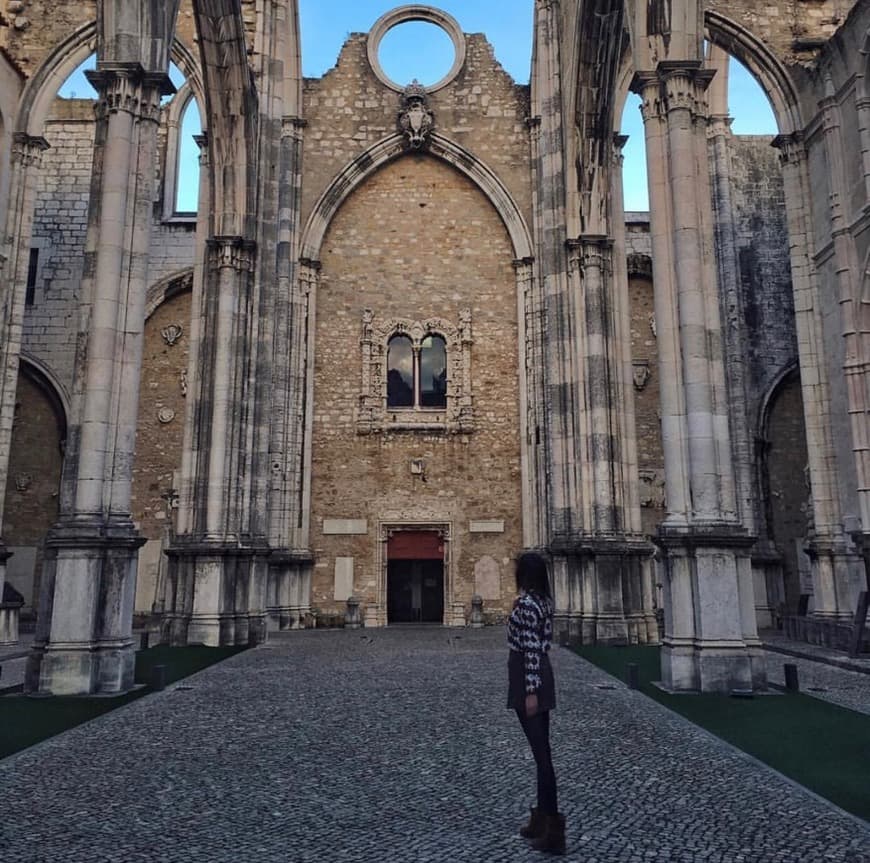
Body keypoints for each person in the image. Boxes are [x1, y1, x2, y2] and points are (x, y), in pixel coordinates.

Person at [507, 551, 565, 854]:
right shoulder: (543, 602)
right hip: (539, 673)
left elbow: (530, 649)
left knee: (542, 757)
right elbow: (542, 644)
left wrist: (530, 692)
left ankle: (552, 829)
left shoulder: (529, 605)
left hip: (529, 677)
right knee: (542, 755)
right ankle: (541, 818)